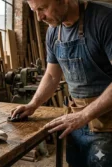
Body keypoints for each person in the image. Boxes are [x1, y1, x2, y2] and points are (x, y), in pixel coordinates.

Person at [11, 0, 112, 166]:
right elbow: (51, 75)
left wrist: (84, 115)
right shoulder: (53, 32)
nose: (39, 17)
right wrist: (33, 104)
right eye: (35, 10)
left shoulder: (105, 19)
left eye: (42, 8)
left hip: (107, 125)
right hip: (75, 121)